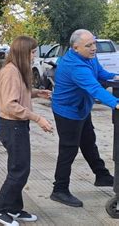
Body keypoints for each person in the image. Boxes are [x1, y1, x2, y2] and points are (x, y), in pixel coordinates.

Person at [50, 29, 119, 207]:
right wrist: (115, 103)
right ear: (75, 48)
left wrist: (115, 77)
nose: (93, 48)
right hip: (67, 112)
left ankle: (102, 176)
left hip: (81, 108)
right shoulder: (75, 66)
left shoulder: (89, 57)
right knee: (69, 149)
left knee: (88, 141)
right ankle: (59, 190)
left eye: (94, 43)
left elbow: (101, 73)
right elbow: (95, 88)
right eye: (88, 45)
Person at [0, 36, 53, 226]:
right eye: (33, 52)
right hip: (12, 127)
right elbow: (10, 105)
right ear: (23, 53)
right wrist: (38, 118)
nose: (34, 56)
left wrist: (35, 93)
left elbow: (17, 93)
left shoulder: (15, 70)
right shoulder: (10, 71)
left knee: (18, 169)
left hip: (17, 127)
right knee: (19, 171)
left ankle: (13, 208)